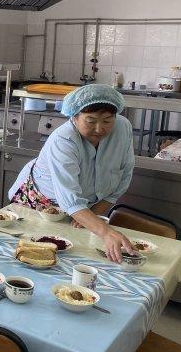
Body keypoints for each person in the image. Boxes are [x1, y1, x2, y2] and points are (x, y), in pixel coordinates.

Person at [8, 84, 136, 263]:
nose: (99, 129)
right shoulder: (63, 140)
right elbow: (70, 199)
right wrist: (105, 231)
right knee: (34, 255)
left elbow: (124, 175)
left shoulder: (123, 128)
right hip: (39, 203)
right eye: (90, 121)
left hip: (81, 208)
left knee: (74, 257)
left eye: (107, 121)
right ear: (74, 117)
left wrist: (91, 214)